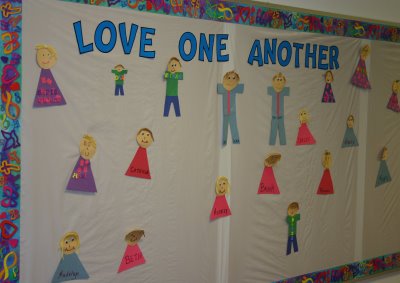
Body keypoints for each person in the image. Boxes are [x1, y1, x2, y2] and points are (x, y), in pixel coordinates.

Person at [217, 71, 244, 145]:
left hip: (232, 112)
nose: (231, 80)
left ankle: (236, 141)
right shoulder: (222, 87)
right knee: (224, 126)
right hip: (224, 112)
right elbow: (216, 88)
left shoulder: (235, 88)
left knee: (233, 126)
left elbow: (242, 88)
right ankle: (223, 141)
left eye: (233, 78)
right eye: (229, 78)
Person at [268, 73, 289, 145]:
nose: (279, 81)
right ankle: (271, 145)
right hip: (274, 116)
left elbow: (288, 91)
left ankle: (283, 145)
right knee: (273, 133)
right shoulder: (271, 89)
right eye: (277, 79)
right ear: (274, 81)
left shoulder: (285, 90)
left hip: (281, 117)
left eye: (281, 80)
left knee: (282, 131)